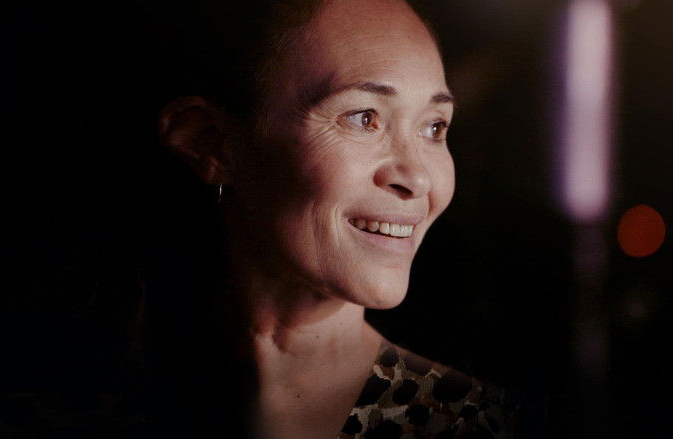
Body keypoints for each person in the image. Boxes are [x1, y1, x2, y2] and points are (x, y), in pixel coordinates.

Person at [155, 0, 518, 437]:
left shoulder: (467, 425)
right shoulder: (95, 387)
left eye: (434, 127)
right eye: (364, 118)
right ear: (211, 143)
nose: (418, 178)